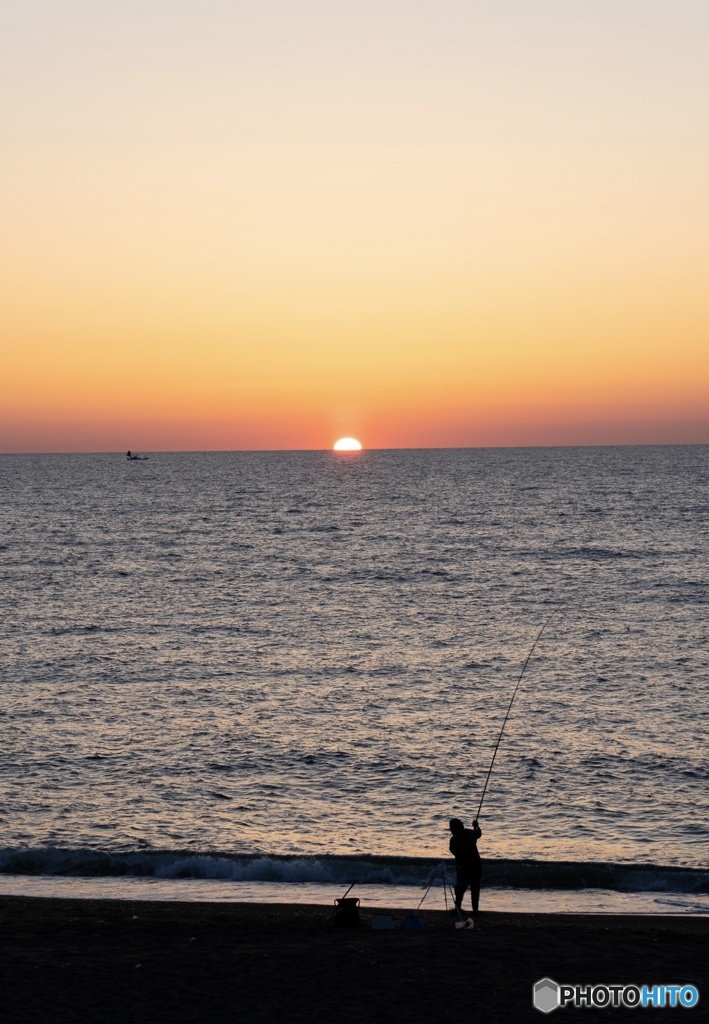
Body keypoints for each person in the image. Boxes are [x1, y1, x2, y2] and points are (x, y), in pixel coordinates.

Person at [449, 817, 482, 916]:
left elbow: (453, 851)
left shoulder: (453, 840)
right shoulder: (469, 833)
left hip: (462, 868)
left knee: (460, 890)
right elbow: (478, 834)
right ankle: (475, 911)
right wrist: (476, 826)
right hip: (475, 866)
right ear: (461, 826)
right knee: (475, 889)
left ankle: (458, 909)